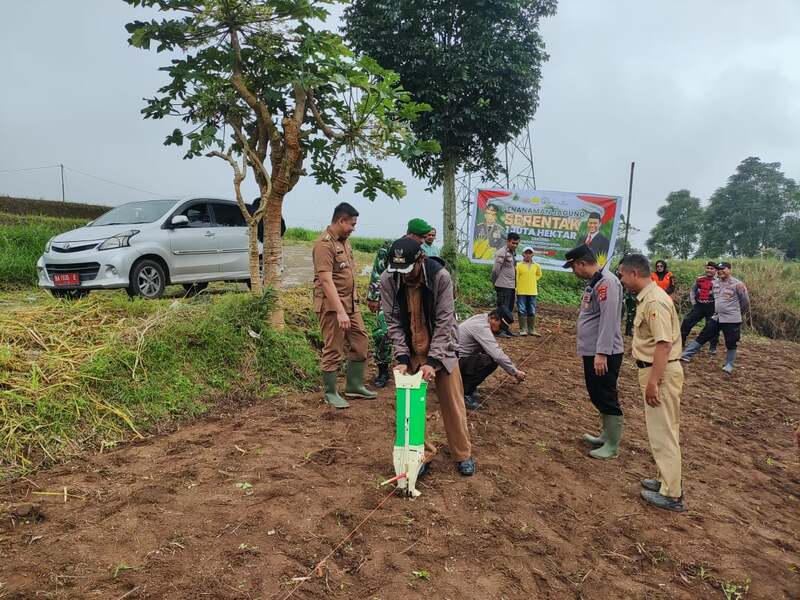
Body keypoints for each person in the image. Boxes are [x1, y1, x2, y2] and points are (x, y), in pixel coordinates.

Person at [380, 237, 476, 476]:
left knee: (453, 402)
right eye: (397, 269)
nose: (403, 274)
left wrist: (433, 362)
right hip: (410, 348)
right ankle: (419, 453)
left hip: (441, 349)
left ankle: (462, 454)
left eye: (407, 268)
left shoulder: (439, 277)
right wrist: (401, 358)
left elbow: (445, 322)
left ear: (420, 259)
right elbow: (392, 321)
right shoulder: (388, 279)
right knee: (410, 407)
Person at [618, 254, 685, 512]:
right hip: (659, 371)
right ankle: (664, 480)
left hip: (661, 372)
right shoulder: (651, 297)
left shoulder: (655, 301)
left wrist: (653, 382)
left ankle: (672, 494)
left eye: (623, 275)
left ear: (634, 273)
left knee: (664, 431)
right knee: (663, 429)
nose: (622, 280)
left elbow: (663, 344)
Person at [312, 203, 376, 409]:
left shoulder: (345, 242)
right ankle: (331, 393)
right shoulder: (324, 244)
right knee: (333, 348)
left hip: (350, 305)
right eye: (352, 224)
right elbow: (326, 281)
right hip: (332, 307)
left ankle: (354, 386)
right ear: (340, 221)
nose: (353, 228)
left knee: (360, 340)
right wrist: (340, 311)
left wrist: (352, 306)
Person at [564, 244, 625, 460]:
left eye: (573, 268)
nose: (573, 272)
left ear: (581, 263)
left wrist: (602, 353)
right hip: (593, 350)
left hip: (604, 352)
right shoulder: (597, 281)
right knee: (597, 392)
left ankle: (612, 445)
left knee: (606, 394)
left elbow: (609, 321)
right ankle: (606, 435)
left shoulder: (607, 283)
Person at [366, 218, 434, 387]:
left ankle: (416, 365)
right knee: (382, 333)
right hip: (389, 298)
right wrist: (373, 297)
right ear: (411, 234)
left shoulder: (423, 251)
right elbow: (378, 271)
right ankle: (382, 371)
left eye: (425, 238)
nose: (423, 241)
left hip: (413, 299)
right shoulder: (391, 247)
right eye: (421, 237)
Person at [682, 262, 750, 374]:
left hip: (732, 319)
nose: (720, 271)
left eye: (723, 269)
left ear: (730, 270)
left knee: (731, 341)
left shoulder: (738, 284)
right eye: (718, 269)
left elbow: (745, 302)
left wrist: (736, 313)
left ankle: (729, 364)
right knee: (704, 334)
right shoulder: (715, 283)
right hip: (717, 316)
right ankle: (686, 354)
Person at [457, 307, 527, 410]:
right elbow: (497, 355)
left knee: (487, 356)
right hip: (454, 362)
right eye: (501, 326)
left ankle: (467, 385)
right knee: (492, 361)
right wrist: (515, 372)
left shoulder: (481, 318)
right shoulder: (482, 327)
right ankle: (465, 393)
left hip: (455, 358)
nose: (500, 330)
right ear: (494, 319)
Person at [680, 261, 720, 354]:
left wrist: (718, 306)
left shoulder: (719, 281)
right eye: (708, 268)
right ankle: (681, 342)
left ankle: (713, 347)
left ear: (715, 270)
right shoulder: (699, 279)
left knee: (712, 326)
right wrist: (694, 303)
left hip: (712, 306)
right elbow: (692, 291)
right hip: (699, 306)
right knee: (687, 321)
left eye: (712, 269)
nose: (709, 270)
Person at [491, 233, 520, 338]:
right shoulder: (501, 253)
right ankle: (498, 331)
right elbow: (495, 270)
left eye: (517, 243)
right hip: (503, 285)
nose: (515, 245)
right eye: (513, 243)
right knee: (502, 309)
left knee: (509, 309)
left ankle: (505, 329)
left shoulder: (512, 253)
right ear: (508, 241)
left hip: (511, 286)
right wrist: (494, 282)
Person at [515, 246, 542, 336]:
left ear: (532, 254)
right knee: (522, 310)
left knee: (532, 310)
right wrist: (516, 288)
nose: (528, 255)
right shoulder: (518, 265)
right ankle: (522, 329)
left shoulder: (536, 266)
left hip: (532, 291)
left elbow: (539, 275)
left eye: (530, 253)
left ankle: (531, 329)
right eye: (526, 253)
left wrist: (533, 280)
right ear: (523, 254)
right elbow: (516, 278)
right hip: (521, 291)